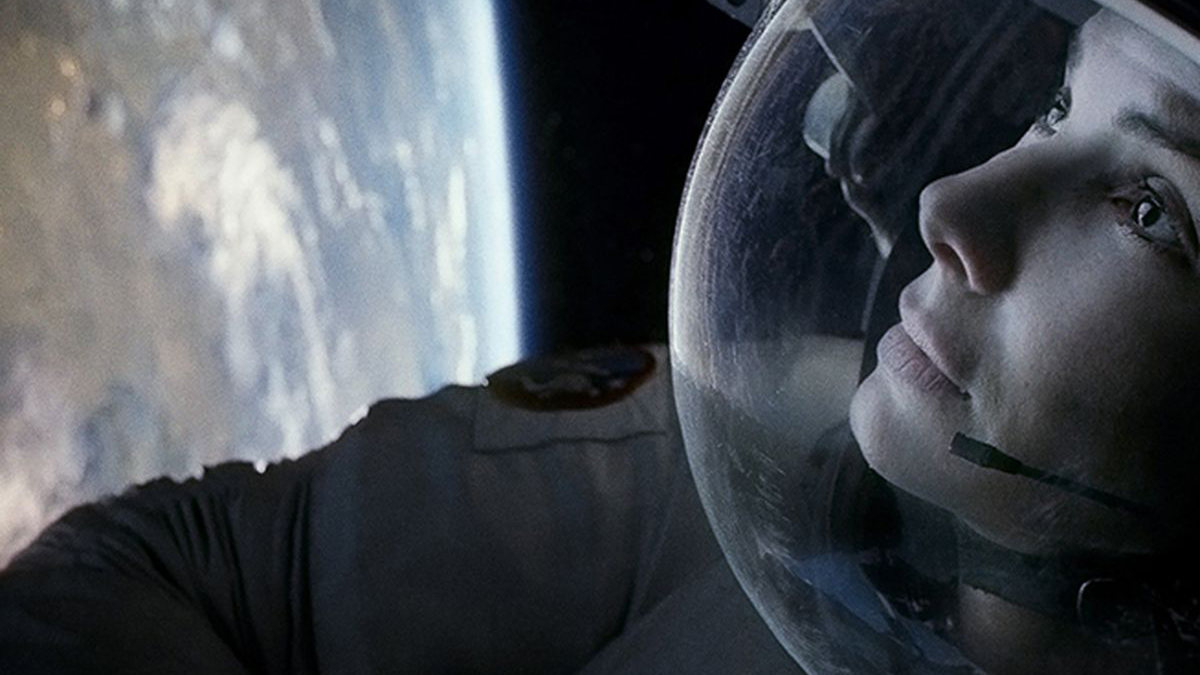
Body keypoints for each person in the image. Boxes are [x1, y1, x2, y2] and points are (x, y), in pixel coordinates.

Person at [4, 2, 1200, 675]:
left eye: (1150, 210)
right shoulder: (760, 465)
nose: (952, 206)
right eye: (1056, 107)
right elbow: (146, 575)